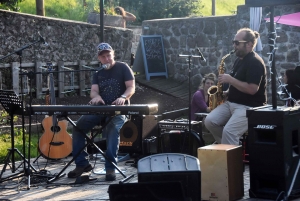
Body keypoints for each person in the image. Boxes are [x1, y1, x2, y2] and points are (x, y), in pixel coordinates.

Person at [67, 42, 135, 181]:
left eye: (108, 55)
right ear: (99, 58)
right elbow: (93, 91)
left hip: (119, 110)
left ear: (113, 54)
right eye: (103, 57)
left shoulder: (123, 67)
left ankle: (110, 168)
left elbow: (131, 87)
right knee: (78, 127)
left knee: (112, 128)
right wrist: (96, 97)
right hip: (101, 109)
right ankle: (82, 164)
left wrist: (123, 97)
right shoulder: (98, 73)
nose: (106, 59)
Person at [204, 28, 267, 145]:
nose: (234, 45)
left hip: (249, 107)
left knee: (229, 132)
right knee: (209, 121)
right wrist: (226, 93)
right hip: (231, 103)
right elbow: (237, 84)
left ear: (249, 44)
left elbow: (252, 89)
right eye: (234, 42)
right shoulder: (239, 60)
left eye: (237, 43)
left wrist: (230, 80)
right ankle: (227, 148)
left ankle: (232, 159)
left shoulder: (255, 62)